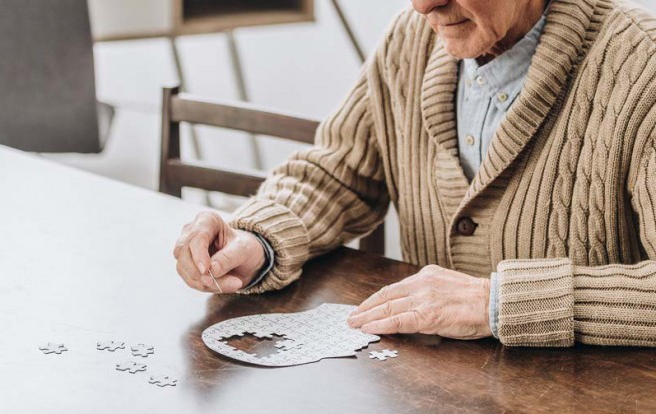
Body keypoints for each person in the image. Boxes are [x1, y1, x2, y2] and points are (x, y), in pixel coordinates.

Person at [174, 0, 656, 347]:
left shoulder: (641, 65)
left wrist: (498, 303)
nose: (424, 5)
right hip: (428, 390)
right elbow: (339, 171)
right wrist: (258, 240)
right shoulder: (411, 39)